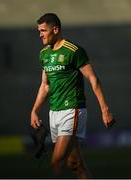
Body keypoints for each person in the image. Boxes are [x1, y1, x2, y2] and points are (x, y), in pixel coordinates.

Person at [31, 13, 115, 178]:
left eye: (43, 30)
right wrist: (34, 110)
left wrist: (105, 109)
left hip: (72, 110)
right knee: (75, 165)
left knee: (56, 162)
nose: (40, 34)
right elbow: (45, 85)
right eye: (39, 31)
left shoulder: (73, 50)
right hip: (54, 112)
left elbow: (93, 79)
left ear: (55, 29)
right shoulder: (44, 54)